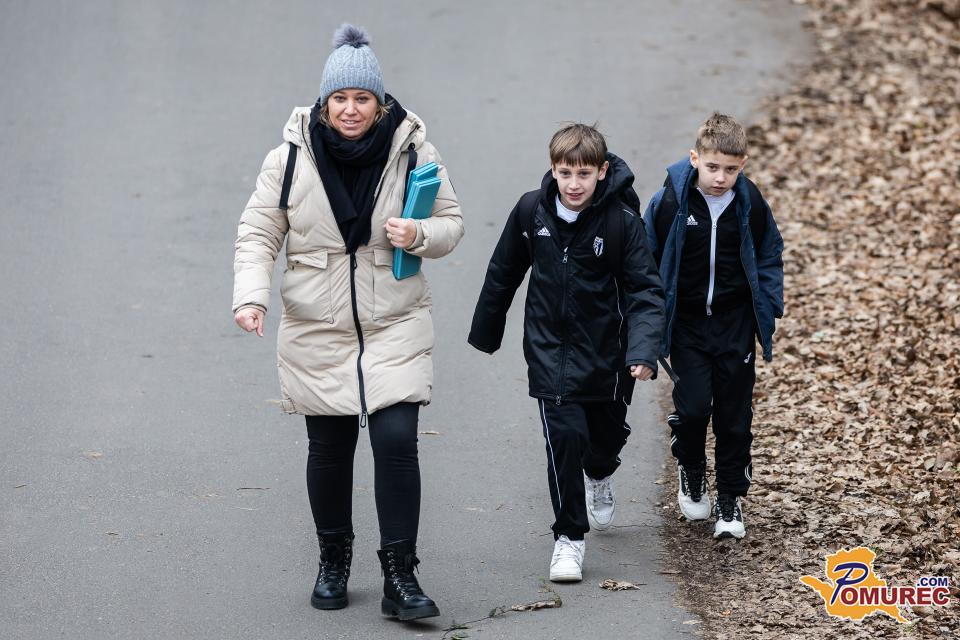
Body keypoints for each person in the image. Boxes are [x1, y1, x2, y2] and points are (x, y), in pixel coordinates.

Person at [232, 23, 463, 621]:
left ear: (379, 103)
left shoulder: (414, 151)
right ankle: (332, 560)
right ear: (324, 102)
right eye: (340, 98)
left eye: (363, 98)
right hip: (318, 326)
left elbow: (451, 224)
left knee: (396, 441)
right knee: (330, 449)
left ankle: (401, 576)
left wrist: (419, 233)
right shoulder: (289, 159)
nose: (351, 109)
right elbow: (258, 233)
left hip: (395, 321)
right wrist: (251, 297)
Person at [468, 123, 665, 582]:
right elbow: (503, 272)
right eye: (565, 173)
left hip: (608, 355)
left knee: (603, 442)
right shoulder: (531, 211)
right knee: (564, 441)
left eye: (583, 174)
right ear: (552, 169)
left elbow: (645, 291)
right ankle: (569, 538)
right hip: (550, 351)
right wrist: (486, 332)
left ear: (602, 171)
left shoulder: (621, 222)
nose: (574, 184)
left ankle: (600, 473)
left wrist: (642, 351)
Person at [642, 112, 784, 540]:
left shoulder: (749, 203)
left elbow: (769, 252)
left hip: (733, 322)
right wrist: (648, 318)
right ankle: (690, 467)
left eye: (731, 169)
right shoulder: (670, 203)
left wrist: (769, 304)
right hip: (687, 325)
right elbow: (646, 258)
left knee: (734, 416)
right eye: (712, 167)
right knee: (691, 410)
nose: (721, 178)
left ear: (743, 165)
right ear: (695, 159)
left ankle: (730, 499)